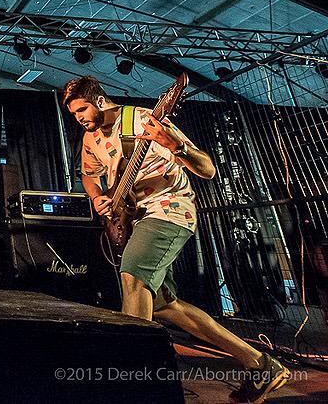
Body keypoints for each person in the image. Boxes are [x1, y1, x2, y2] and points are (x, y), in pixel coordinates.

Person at [62, 75, 290, 403]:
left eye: (82, 109)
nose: (79, 118)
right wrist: (98, 197)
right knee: (164, 306)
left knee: (133, 279)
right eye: (73, 115)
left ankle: (133, 382)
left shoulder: (142, 120)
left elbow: (208, 169)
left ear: (98, 101)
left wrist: (176, 146)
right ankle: (260, 363)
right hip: (137, 218)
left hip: (168, 212)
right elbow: (88, 173)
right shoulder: (91, 138)